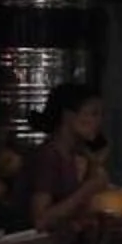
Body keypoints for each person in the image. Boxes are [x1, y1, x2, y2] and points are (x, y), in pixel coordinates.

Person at [16, 80, 108, 233]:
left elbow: (73, 208)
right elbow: (40, 220)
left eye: (101, 115)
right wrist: (88, 188)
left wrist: (94, 165)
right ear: (68, 116)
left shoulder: (71, 154)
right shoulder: (47, 156)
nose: (98, 122)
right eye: (93, 114)